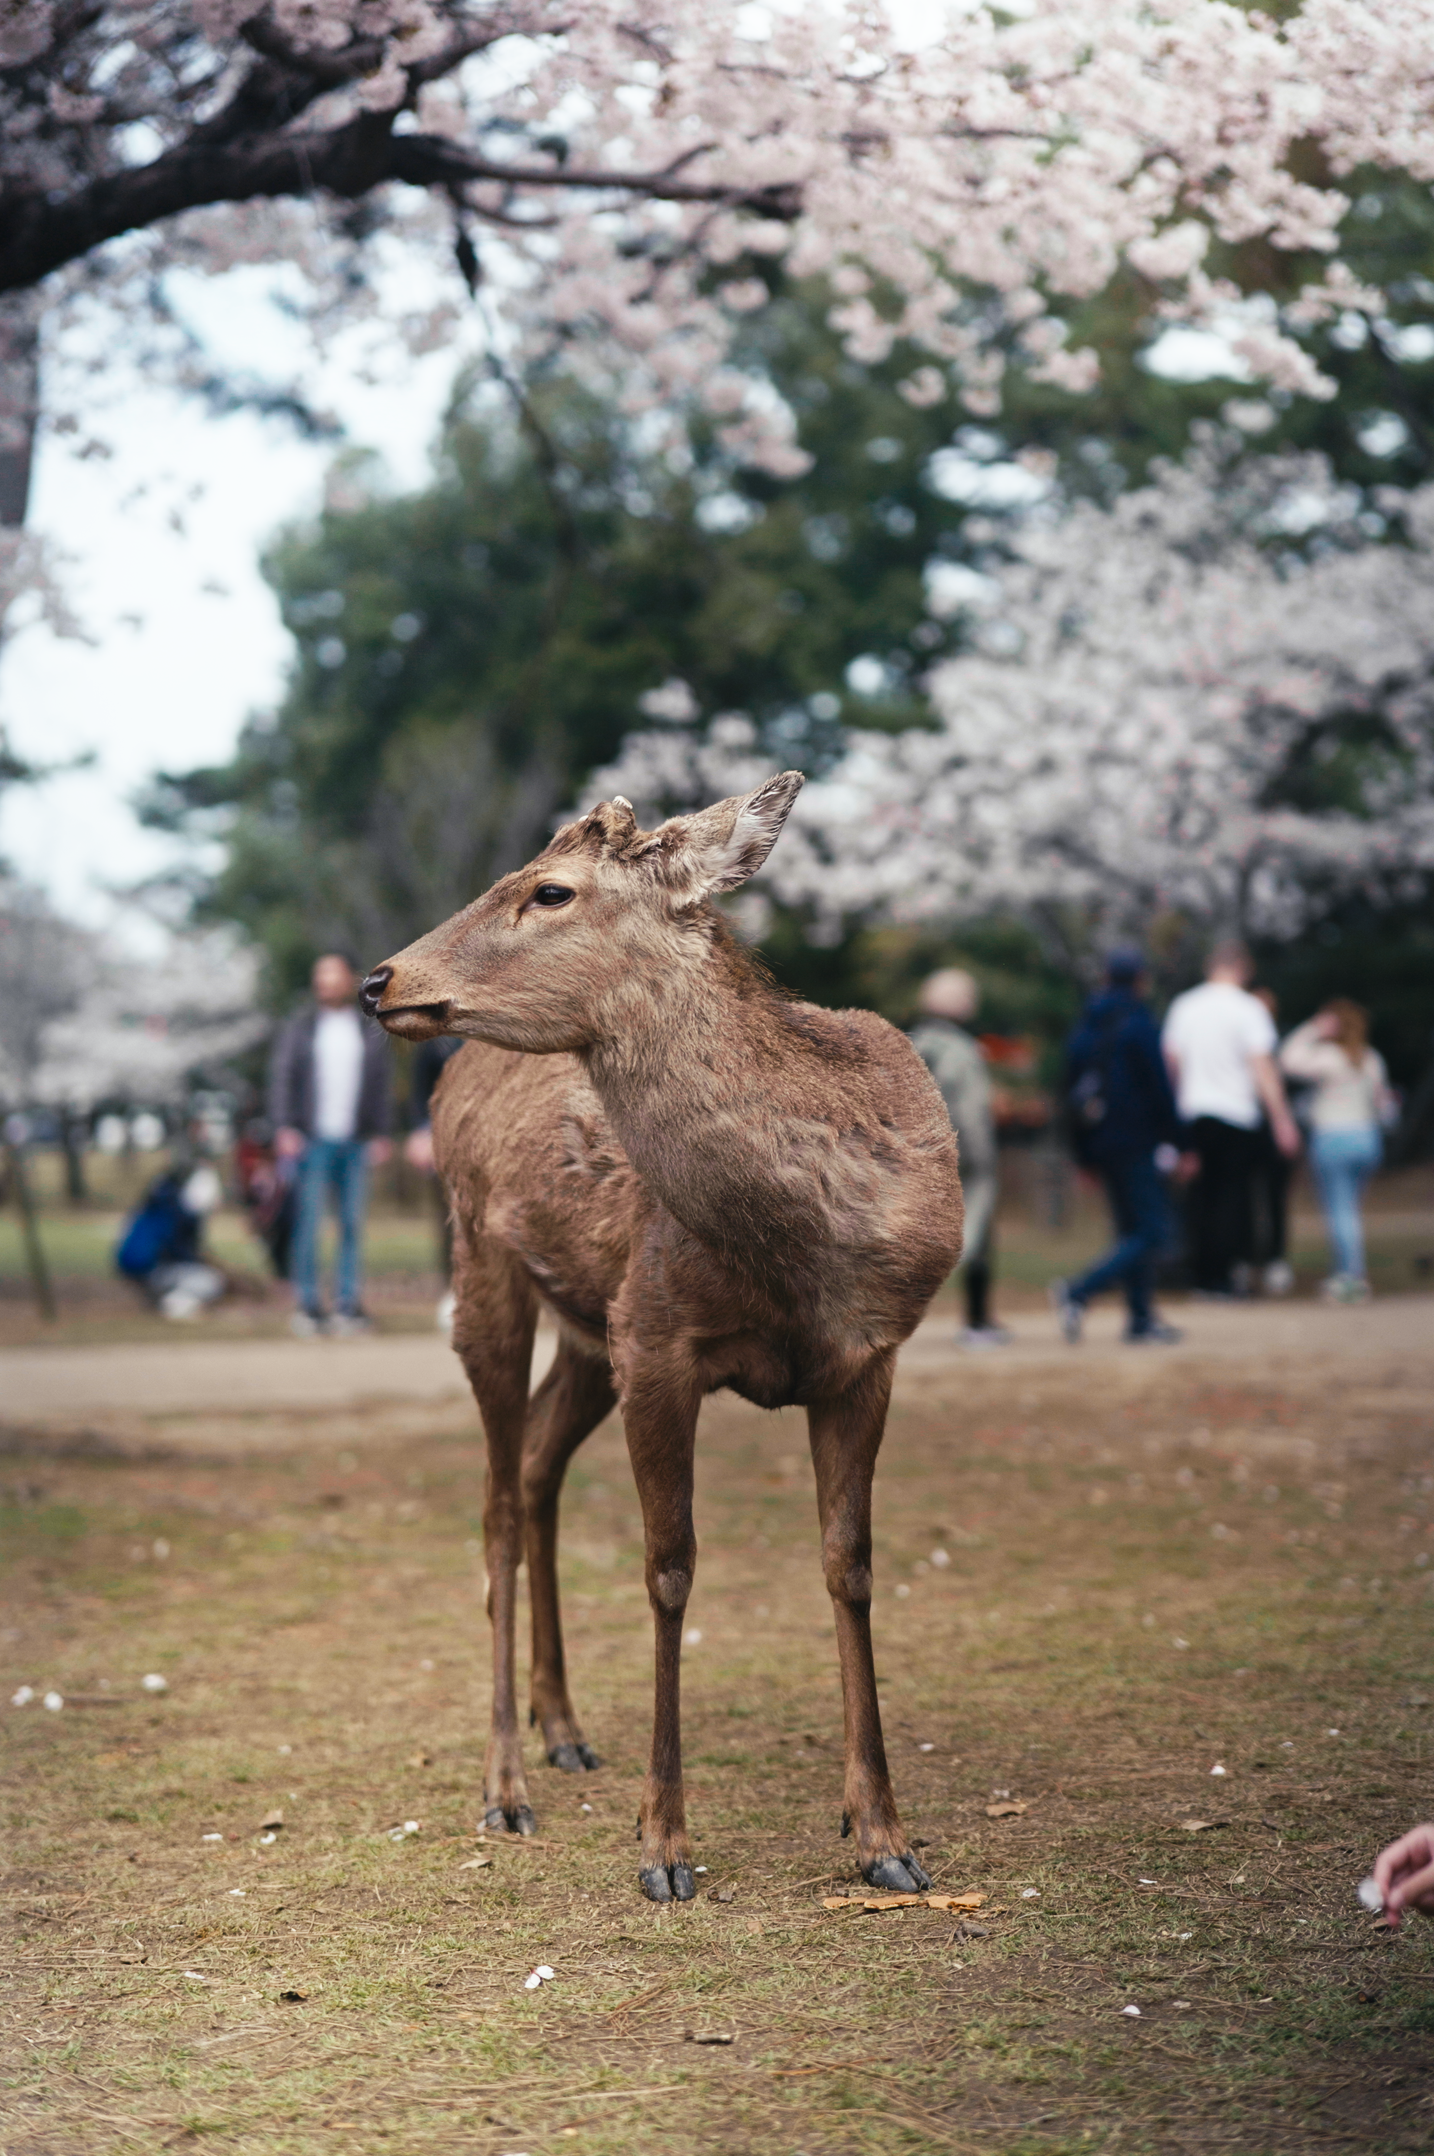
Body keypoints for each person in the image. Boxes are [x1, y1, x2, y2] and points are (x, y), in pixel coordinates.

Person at [1051, 947, 1188, 1345]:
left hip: (1100, 1145)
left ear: (1106, 980)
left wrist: (1083, 1156)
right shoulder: (1140, 1025)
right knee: (1153, 1230)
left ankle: (1141, 1320)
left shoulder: (1084, 1029)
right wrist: (1182, 1142)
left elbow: (1069, 1097)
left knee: (1132, 1230)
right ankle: (1078, 1290)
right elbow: (1160, 1089)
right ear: (1141, 981)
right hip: (1137, 1142)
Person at [1161, 941, 1300, 1297]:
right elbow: (1262, 1068)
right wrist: (1282, 1119)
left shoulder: (1185, 1006)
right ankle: (1224, 1276)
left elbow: (1171, 1065)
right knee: (1231, 1198)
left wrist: (1168, 1115)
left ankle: (1201, 1275)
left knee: (1199, 1198)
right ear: (1244, 970)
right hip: (1236, 1114)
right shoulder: (1248, 1008)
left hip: (1193, 1112)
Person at [269, 951, 393, 1336]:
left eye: (333, 973)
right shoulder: (302, 1027)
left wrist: (382, 1133)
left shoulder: (367, 1029)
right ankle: (308, 1306)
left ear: (348, 979)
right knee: (308, 1225)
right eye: (319, 973)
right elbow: (282, 1077)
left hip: (355, 1141)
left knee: (352, 1226)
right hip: (311, 1141)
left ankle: (347, 1305)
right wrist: (284, 1126)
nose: (325, 980)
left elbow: (381, 1087)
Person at [908, 968, 1008, 1346]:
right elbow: (971, 1113)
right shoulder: (963, 1051)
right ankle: (977, 1323)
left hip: (914, 1152)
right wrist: (984, 1161)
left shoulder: (909, 1043)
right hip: (960, 1154)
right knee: (977, 1232)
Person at [1279, 998, 1395, 1303]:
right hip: (1367, 1139)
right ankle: (1345, 1271)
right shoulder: (1371, 1059)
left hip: (1334, 1138)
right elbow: (1384, 1106)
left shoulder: (1329, 1057)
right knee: (1349, 1211)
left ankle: (1351, 1277)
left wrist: (1313, 1029)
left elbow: (1287, 1059)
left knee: (1340, 1211)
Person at [116, 1154, 226, 1320]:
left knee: (195, 1273)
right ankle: (174, 1303)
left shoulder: (157, 1201)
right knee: (211, 1282)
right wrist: (204, 1262)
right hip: (151, 1269)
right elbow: (176, 1252)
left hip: (131, 1267)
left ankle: (159, 1296)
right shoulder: (179, 1212)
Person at [404, 1034, 465, 1332]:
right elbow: (420, 1090)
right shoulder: (437, 1041)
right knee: (449, 1221)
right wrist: (420, 1132)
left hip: (493, 1138)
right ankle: (455, 1290)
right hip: (445, 1139)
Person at [1249, 986, 1295, 1296]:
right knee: (1243, 1199)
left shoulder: (1280, 1046)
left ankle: (1276, 1260)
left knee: (1275, 1198)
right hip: (1246, 1128)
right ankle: (1246, 1259)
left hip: (1273, 1131)